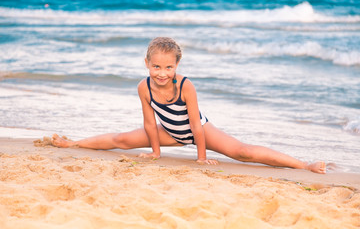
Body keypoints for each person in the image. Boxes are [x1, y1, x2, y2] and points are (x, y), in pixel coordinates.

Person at [51, 37, 326, 174]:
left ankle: (304, 165)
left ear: (177, 65)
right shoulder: (143, 87)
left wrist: (201, 157)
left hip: (200, 132)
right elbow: (149, 123)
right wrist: (156, 152)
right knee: (121, 139)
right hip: (168, 132)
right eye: (156, 66)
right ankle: (73, 143)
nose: (162, 72)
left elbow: (195, 124)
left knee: (242, 152)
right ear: (146, 63)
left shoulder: (185, 86)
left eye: (168, 67)